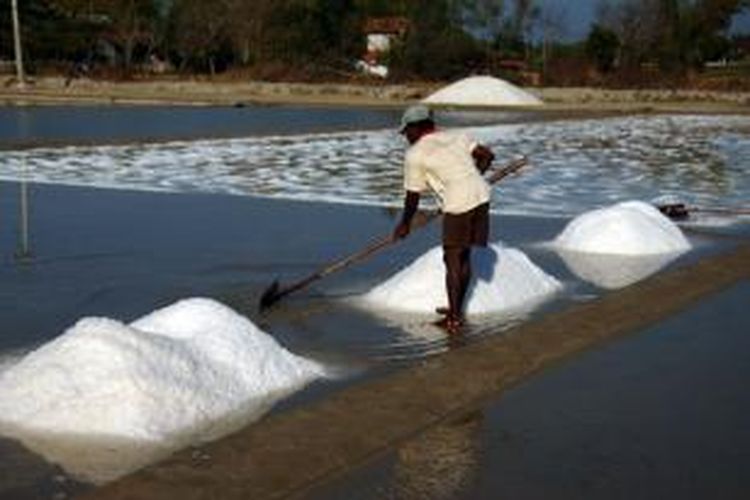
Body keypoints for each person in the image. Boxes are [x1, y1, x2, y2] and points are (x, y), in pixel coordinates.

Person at [393, 105, 495, 333]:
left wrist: (404, 224)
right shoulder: (456, 136)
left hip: (459, 204)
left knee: (452, 259)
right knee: (464, 254)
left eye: (406, 132)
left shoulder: (416, 154)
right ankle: (456, 309)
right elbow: (487, 156)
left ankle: (454, 319)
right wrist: (470, 180)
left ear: (417, 128)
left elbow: (412, 195)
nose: (406, 137)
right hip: (481, 195)